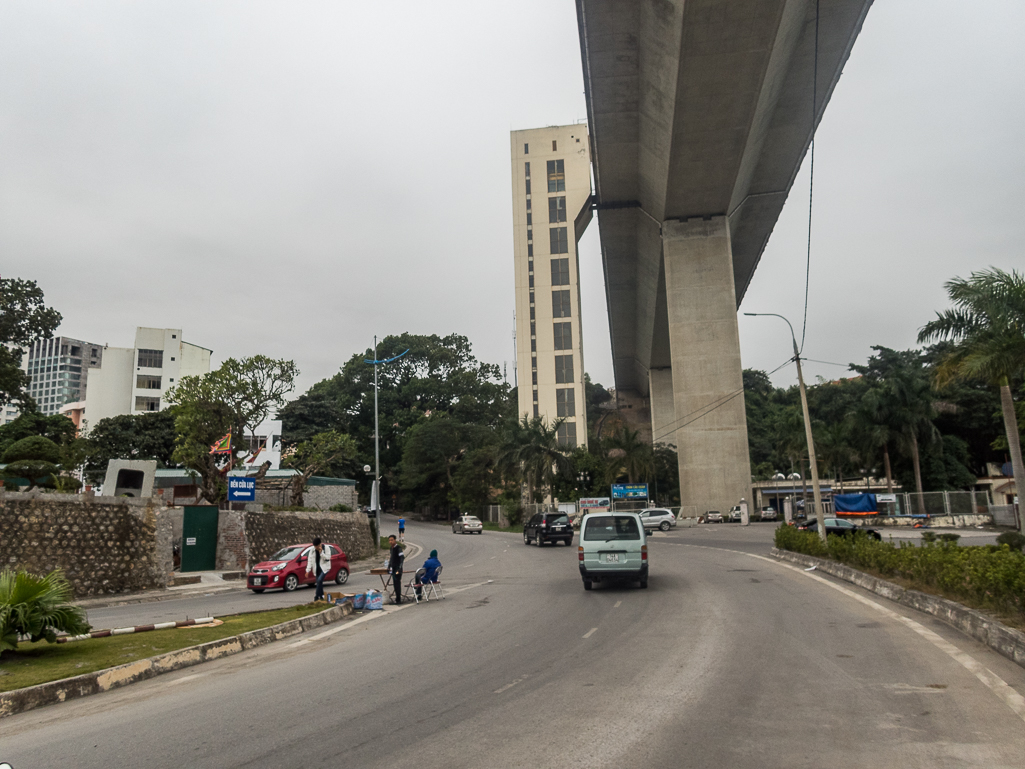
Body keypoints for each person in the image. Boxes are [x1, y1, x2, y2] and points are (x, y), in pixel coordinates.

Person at [306, 537, 329, 602]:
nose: (316, 547)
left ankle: (316, 597)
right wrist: (308, 570)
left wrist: (321, 553)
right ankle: (321, 597)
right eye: (315, 546)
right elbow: (310, 560)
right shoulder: (312, 550)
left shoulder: (326, 548)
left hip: (325, 568)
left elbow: (327, 558)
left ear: (320, 544)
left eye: (317, 546)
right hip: (317, 569)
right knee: (319, 583)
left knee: (319, 580)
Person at [387, 534, 404, 604]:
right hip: (393, 568)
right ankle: (397, 598)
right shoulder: (391, 549)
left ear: (395, 540)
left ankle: (398, 599)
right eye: (389, 540)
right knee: (395, 583)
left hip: (397, 568)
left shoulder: (398, 548)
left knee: (397, 583)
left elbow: (402, 558)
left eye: (392, 540)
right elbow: (391, 558)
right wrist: (389, 566)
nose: (390, 542)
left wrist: (399, 568)